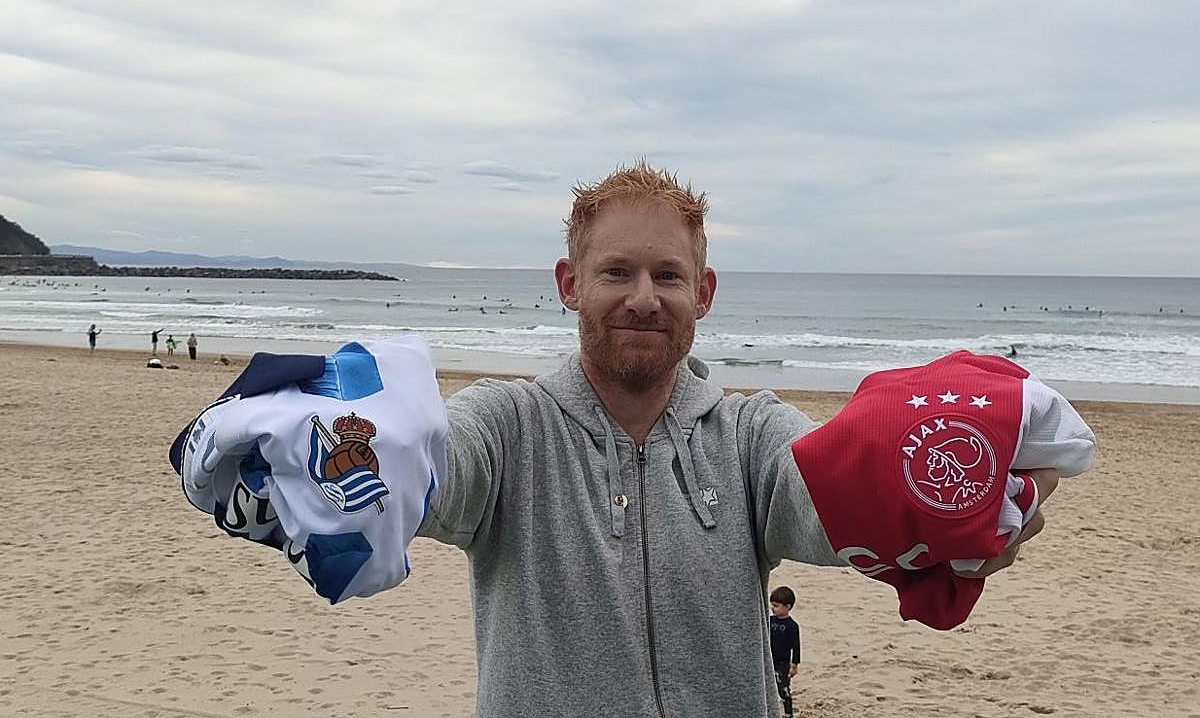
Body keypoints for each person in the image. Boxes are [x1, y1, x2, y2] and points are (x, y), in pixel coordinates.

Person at [182, 163, 1064, 717]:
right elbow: (435, 470)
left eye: (667, 274)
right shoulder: (511, 425)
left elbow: (828, 494)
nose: (643, 296)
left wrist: (956, 500)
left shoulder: (750, 434)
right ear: (570, 283)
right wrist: (325, 451)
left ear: (704, 291)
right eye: (616, 271)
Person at [769, 586, 802, 718]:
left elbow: (796, 647)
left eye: (776, 606)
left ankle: (788, 714)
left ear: (787, 607)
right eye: (772, 605)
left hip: (783, 664)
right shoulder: (769, 620)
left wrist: (794, 665)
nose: (773, 608)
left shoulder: (792, 626)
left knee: (783, 689)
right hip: (769, 660)